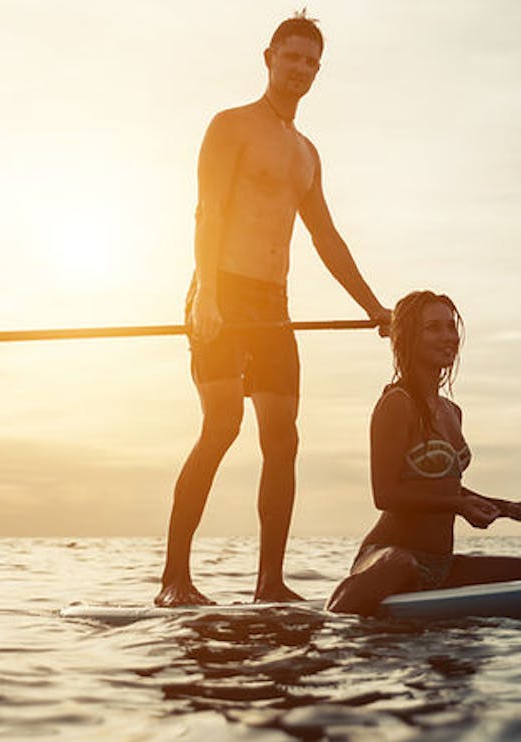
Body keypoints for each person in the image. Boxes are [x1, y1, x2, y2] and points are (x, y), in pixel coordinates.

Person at [157, 13, 392, 607]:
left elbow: (327, 240)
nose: (301, 70)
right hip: (220, 292)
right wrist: (206, 296)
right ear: (269, 58)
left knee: (282, 440)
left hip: (272, 304)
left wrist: (374, 307)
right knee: (221, 426)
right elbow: (207, 213)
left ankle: (270, 583)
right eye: (291, 58)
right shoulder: (230, 126)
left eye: (311, 62)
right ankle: (174, 580)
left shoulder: (307, 153)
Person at [327, 291, 521, 616]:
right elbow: (386, 494)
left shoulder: (453, 411)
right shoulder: (397, 404)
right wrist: (459, 506)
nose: (448, 337)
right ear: (408, 338)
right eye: (433, 328)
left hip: (441, 566)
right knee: (400, 563)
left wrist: (506, 508)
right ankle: (329, 620)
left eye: (451, 327)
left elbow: (445, 489)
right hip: (386, 558)